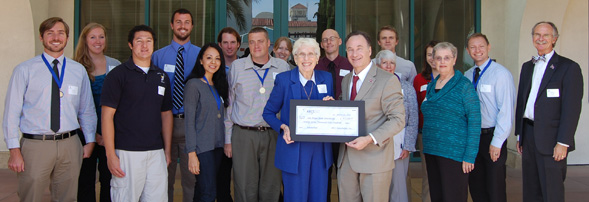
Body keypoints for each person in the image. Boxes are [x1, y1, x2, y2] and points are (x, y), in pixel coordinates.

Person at [3, 17, 97, 202]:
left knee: (67, 197)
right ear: (41, 37)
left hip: (70, 143)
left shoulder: (78, 71)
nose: (56, 37)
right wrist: (14, 150)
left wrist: (90, 140)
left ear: (67, 37)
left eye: (61, 33)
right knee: (31, 196)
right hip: (36, 145)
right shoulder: (25, 70)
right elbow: (11, 112)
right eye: (50, 33)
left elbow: (87, 110)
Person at [101, 25, 173, 201]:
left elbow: (166, 114)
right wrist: (110, 155)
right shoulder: (117, 76)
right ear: (130, 45)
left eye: (148, 41)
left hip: (156, 152)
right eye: (139, 41)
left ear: (154, 45)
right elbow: (107, 116)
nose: (144, 45)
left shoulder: (161, 76)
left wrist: (167, 151)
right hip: (127, 152)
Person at [515, 21, 583, 202]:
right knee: (531, 190)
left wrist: (563, 142)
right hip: (529, 135)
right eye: (537, 34)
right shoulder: (527, 67)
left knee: (551, 192)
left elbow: (572, 108)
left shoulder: (568, 68)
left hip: (553, 140)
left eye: (546, 35)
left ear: (554, 39)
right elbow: (522, 103)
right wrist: (519, 135)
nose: (541, 38)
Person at [337, 31, 405, 202]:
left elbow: (398, 120)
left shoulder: (387, 80)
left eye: (359, 48)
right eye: (350, 49)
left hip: (375, 160)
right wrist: (331, 105)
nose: (354, 54)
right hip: (346, 161)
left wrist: (369, 139)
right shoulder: (346, 80)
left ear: (370, 50)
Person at [263, 38, 334, 202]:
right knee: (296, 197)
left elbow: (330, 113)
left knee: (319, 197)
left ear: (317, 58)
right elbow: (268, 113)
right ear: (295, 58)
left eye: (311, 54)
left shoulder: (327, 78)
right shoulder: (284, 80)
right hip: (293, 150)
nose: (306, 59)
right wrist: (283, 127)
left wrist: (331, 107)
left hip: (320, 152)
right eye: (301, 54)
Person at [224, 27, 290, 202]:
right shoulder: (237, 67)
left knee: (271, 186)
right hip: (244, 134)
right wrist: (228, 139)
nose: (256, 45)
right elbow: (229, 105)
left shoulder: (282, 67)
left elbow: (289, 101)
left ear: (269, 43)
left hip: (274, 134)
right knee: (244, 186)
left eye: (260, 41)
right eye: (252, 42)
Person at [421, 42, 480, 202]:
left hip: (454, 154)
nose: (442, 61)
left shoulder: (464, 86)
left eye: (447, 57)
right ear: (433, 60)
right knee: (437, 196)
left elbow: (475, 122)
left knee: (453, 197)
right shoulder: (432, 85)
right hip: (432, 151)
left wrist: (470, 155)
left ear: (454, 59)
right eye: (438, 58)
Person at [151, 8, 200, 202]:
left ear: (192, 26)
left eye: (186, 22)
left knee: (191, 180)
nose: (182, 26)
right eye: (178, 22)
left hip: (191, 124)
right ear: (172, 25)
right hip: (165, 124)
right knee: (164, 178)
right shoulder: (158, 56)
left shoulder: (201, 55)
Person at [464, 33, 515, 202]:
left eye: (481, 46)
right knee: (476, 185)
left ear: (488, 47)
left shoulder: (501, 74)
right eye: (473, 47)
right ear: (467, 50)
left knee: (495, 187)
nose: (477, 50)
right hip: (473, 138)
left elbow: (506, 111)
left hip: (491, 137)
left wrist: (497, 141)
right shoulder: (467, 75)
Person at [74, 22, 121, 202]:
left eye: (101, 36)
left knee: (109, 179)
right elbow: (72, 106)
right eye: (92, 37)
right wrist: (93, 134)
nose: (97, 41)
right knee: (85, 179)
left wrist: (106, 134)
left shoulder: (116, 66)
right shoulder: (76, 67)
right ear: (85, 40)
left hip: (111, 133)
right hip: (83, 133)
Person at [184, 43, 230, 202]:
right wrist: (191, 153)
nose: (213, 62)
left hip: (218, 146)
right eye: (209, 57)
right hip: (202, 148)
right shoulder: (193, 85)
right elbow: (189, 121)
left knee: (203, 189)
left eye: (217, 58)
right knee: (209, 192)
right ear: (201, 61)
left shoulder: (219, 85)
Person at [375, 50, 418, 202]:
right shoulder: (371, 85)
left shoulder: (406, 87)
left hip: (400, 143)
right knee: (378, 188)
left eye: (392, 63)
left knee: (398, 188)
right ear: (378, 65)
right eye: (384, 63)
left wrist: (408, 145)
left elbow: (413, 118)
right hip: (377, 144)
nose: (388, 66)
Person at [315, 29, 353, 201]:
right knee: (322, 173)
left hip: (343, 128)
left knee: (344, 173)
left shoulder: (350, 65)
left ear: (339, 42)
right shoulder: (315, 65)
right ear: (321, 45)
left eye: (332, 39)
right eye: (325, 40)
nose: (328, 42)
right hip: (320, 128)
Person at [215, 26, 241, 202]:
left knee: (243, 178)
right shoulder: (212, 68)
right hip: (218, 131)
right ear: (219, 44)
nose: (229, 46)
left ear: (239, 44)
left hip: (240, 131)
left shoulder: (246, 66)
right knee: (221, 179)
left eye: (233, 42)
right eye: (225, 42)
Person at [412, 40, 438, 202]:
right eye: (430, 54)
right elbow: (414, 108)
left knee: (446, 174)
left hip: (445, 134)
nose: (433, 58)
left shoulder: (453, 78)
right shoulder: (419, 79)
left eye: (436, 54)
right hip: (425, 134)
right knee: (429, 174)